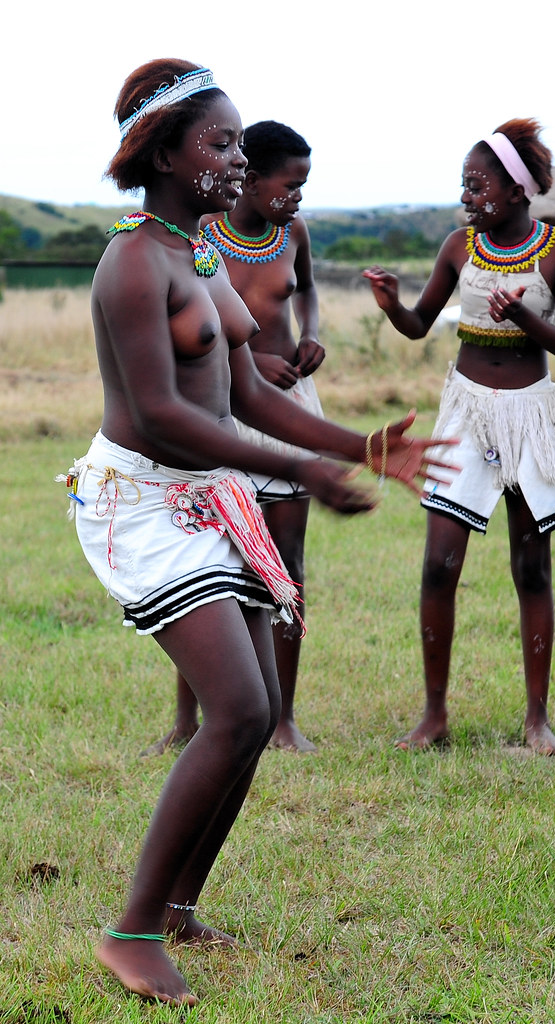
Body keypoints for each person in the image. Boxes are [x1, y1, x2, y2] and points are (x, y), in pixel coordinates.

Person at [65, 59, 453, 1006]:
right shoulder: (131, 262)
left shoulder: (197, 252)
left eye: (240, 142)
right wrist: (300, 472)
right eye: (220, 142)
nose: (239, 160)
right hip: (142, 502)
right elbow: (159, 414)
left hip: (206, 492)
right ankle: (131, 931)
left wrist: (358, 446)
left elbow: (244, 393)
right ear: (162, 151)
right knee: (239, 710)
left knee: (254, 705)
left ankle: (183, 908)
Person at [363, 119, 555, 755]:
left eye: (477, 184)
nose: (466, 196)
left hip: (529, 413)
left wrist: (521, 316)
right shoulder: (459, 247)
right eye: (463, 185)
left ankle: (537, 720)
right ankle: (434, 716)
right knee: (439, 563)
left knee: (531, 567)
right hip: (465, 412)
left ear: (516, 190)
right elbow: (418, 324)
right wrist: (391, 306)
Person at [145, 120, 324, 754]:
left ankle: (284, 718)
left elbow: (306, 293)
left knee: (288, 567)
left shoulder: (291, 233)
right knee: (210, 567)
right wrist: (249, 365)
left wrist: (309, 336)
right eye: (291, 183)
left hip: (288, 410)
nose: (299, 195)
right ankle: (187, 720)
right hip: (221, 412)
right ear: (251, 178)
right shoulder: (200, 242)